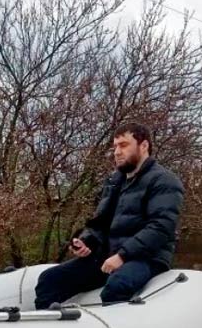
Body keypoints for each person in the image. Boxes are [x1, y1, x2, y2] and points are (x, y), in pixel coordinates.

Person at [34, 122, 183, 309]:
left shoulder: (164, 181)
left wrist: (122, 256)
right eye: (115, 147)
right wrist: (86, 241)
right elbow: (100, 223)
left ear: (143, 146)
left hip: (147, 258)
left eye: (123, 145)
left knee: (117, 286)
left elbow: (161, 227)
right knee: (49, 280)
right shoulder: (114, 182)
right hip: (110, 256)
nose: (117, 152)